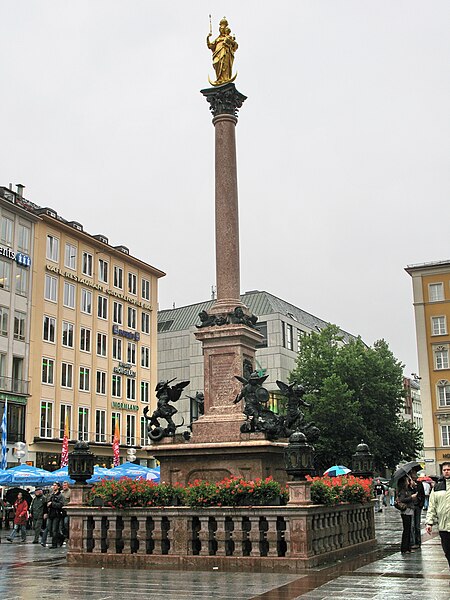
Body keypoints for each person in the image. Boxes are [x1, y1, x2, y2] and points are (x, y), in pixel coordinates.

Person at [425, 462, 450, 572]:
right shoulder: (438, 487)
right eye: (444, 470)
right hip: (443, 526)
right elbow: (432, 506)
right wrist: (429, 522)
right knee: (448, 552)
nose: (446, 471)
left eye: (448, 469)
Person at [206, 17, 238, 85]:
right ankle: (219, 79)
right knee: (216, 63)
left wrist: (230, 42)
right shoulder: (218, 38)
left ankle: (225, 78)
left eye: (223, 27)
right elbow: (210, 46)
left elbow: (235, 46)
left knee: (224, 65)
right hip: (217, 53)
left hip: (225, 52)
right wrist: (208, 37)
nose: (221, 29)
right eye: (220, 27)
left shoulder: (229, 37)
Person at [397, 475, 417, 554]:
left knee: (409, 530)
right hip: (406, 511)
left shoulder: (408, 489)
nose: (409, 482)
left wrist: (413, 485)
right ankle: (404, 548)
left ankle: (408, 547)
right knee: (406, 530)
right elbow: (402, 499)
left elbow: (414, 491)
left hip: (409, 511)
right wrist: (411, 497)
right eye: (408, 481)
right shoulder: (402, 491)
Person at [42, 482, 64, 549]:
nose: (53, 487)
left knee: (55, 529)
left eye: (55, 485)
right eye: (53, 485)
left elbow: (61, 505)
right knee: (49, 528)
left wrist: (52, 504)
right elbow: (47, 503)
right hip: (50, 513)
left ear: (58, 487)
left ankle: (54, 544)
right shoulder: (51, 495)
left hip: (56, 514)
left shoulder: (60, 495)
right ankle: (61, 537)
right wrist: (46, 510)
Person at [409, 469, 425, 549]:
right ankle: (412, 542)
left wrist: (421, 504)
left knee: (417, 525)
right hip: (411, 506)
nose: (414, 476)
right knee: (411, 525)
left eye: (415, 474)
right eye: (413, 474)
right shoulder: (408, 484)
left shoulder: (419, 483)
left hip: (417, 506)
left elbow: (422, 494)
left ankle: (418, 542)